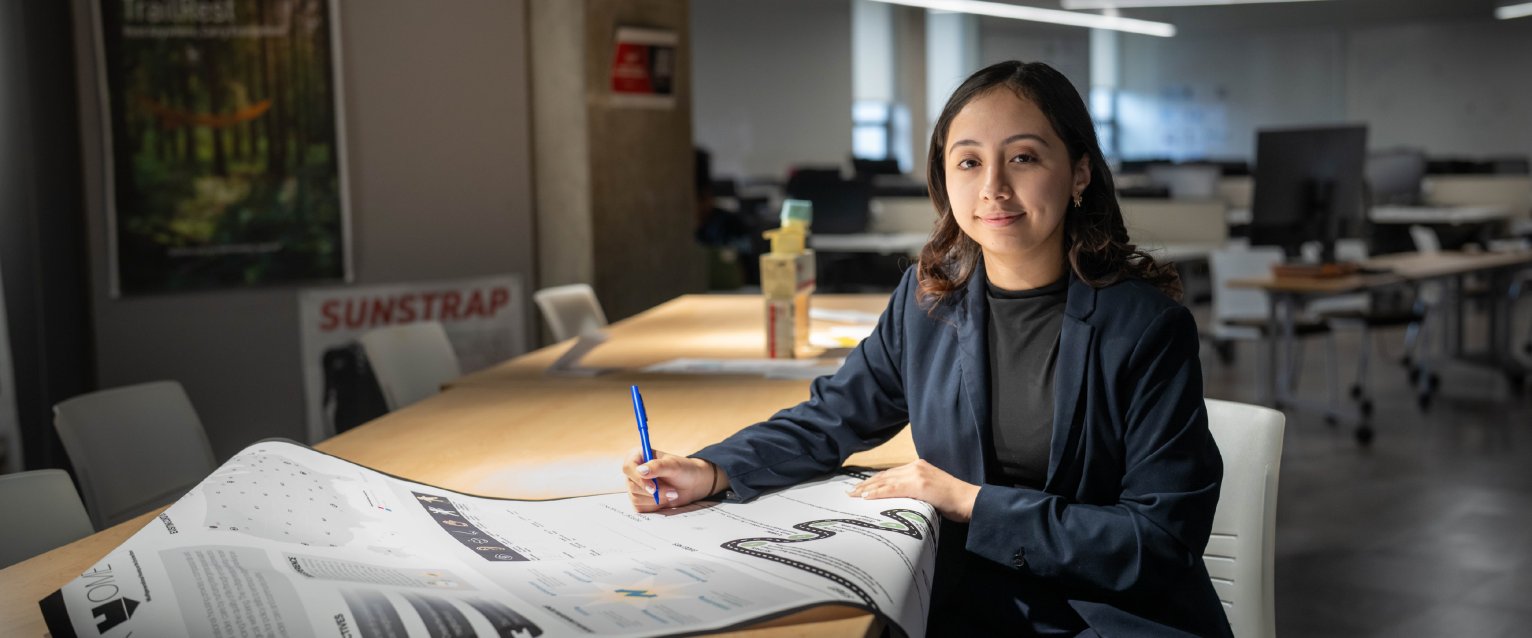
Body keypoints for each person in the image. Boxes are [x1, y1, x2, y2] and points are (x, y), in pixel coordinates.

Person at [622, 60, 1229, 636]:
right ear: (945, 177)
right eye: (969, 162)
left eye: (1023, 157)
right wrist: (712, 469)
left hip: (1104, 617)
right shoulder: (930, 300)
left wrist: (970, 503)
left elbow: (1161, 540)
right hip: (968, 608)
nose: (993, 187)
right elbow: (832, 418)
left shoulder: (1147, 328)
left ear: (1078, 173)